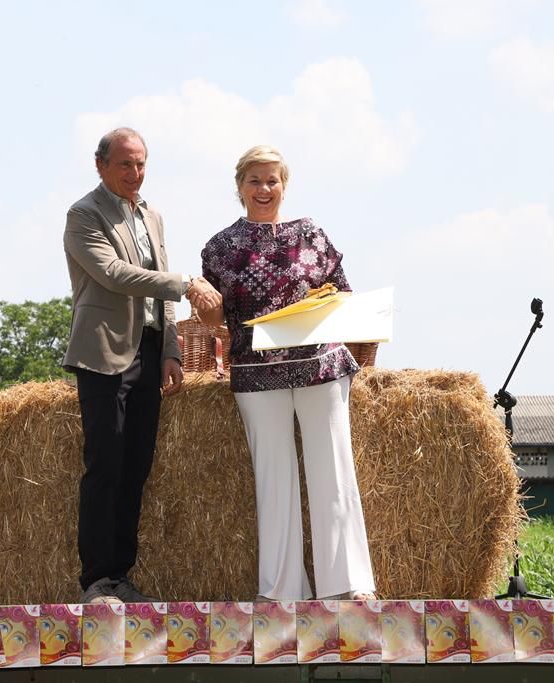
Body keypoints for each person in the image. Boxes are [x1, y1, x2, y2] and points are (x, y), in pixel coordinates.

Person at [199, 145, 376, 601]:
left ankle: (349, 586)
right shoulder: (218, 249)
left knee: (333, 474)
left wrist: (327, 300)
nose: (264, 188)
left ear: (284, 184)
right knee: (273, 481)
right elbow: (215, 322)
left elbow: (345, 294)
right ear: (239, 187)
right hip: (255, 376)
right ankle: (280, 591)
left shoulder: (313, 235)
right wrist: (210, 310)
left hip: (322, 366)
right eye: (255, 180)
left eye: (272, 180)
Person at [62, 127, 221, 604]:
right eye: (125, 164)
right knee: (105, 465)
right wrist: (187, 283)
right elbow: (114, 275)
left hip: (149, 353)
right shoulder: (82, 215)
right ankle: (96, 580)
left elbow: (160, 295)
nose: (135, 173)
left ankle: (121, 576)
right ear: (101, 165)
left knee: (136, 469)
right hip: (103, 354)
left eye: (141, 163)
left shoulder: (152, 216)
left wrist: (171, 349)